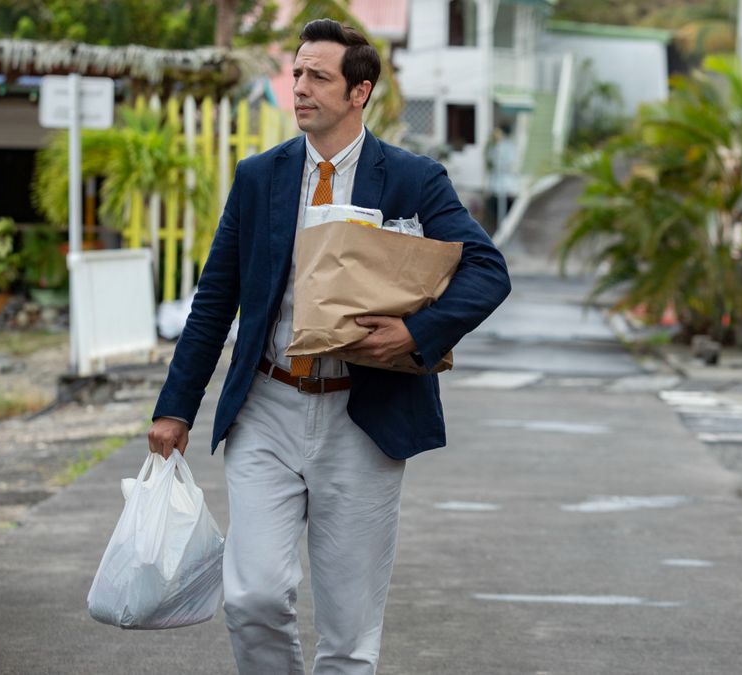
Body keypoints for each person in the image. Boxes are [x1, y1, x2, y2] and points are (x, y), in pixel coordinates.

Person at [146, 19, 510, 675]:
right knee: (252, 593)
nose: (300, 87)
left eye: (318, 76)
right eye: (297, 73)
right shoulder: (261, 177)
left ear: (359, 91)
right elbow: (215, 297)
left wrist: (416, 333)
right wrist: (176, 406)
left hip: (362, 416)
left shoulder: (411, 179)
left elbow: (488, 269)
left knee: (348, 634)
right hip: (267, 407)